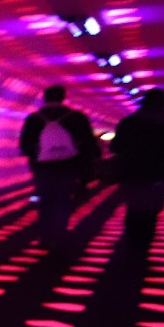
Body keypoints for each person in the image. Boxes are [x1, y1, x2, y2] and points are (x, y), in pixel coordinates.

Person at [18, 85, 100, 253]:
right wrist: (86, 170)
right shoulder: (77, 118)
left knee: (45, 201)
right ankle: (60, 235)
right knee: (63, 200)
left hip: (42, 168)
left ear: (45, 98)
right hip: (69, 166)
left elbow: (25, 146)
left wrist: (38, 156)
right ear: (63, 98)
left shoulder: (34, 119)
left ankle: (45, 237)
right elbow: (89, 145)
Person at [110, 88, 164, 248]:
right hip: (160, 175)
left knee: (134, 208)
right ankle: (145, 240)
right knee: (152, 211)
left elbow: (115, 147)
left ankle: (132, 240)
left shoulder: (129, 123)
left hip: (131, 173)